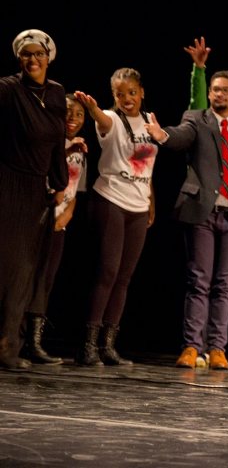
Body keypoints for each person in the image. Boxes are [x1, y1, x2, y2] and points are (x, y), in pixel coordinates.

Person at [145, 52, 228, 371]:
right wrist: (162, 135)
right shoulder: (197, 120)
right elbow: (179, 136)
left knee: (223, 284)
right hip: (203, 212)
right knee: (199, 280)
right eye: (214, 89)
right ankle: (192, 346)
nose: (218, 94)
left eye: (224, 90)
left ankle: (217, 348)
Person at [74, 68, 158, 366]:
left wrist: (150, 201)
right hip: (110, 199)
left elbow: (147, 167)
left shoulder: (150, 123)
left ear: (141, 92)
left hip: (138, 206)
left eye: (132, 92)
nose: (127, 99)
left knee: (124, 277)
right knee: (107, 272)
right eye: (120, 94)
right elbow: (102, 118)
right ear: (114, 96)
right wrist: (93, 108)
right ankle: (88, 345)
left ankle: (109, 345)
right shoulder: (112, 119)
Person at [0, 30, 66, 370]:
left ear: (48, 56)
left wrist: (60, 182)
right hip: (9, 186)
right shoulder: (9, 89)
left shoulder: (56, 94)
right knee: (7, 267)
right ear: (19, 58)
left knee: (28, 270)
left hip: (39, 191)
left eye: (38, 53)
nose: (33, 60)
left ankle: (10, 345)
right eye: (26, 54)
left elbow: (57, 141)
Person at [21, 94, 88, 365]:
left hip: (60, 223)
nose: (73, 118)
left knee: (45, 282)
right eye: (68, 112)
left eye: (80, 115)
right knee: (24, 281)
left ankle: (33, 343)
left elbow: (76, 190)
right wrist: (68, 151)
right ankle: (13, 337)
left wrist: (67, 217)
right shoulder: (46, 142)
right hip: (35, 220)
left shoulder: (81, 150)